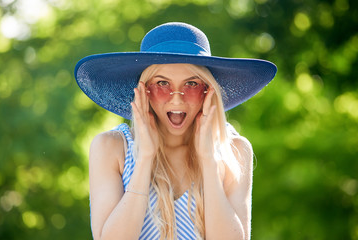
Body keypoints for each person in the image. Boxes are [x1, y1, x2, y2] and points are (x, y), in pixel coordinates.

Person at [74, 22, 277, 240]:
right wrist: (145, 159)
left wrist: (208, 160)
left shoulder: (234, 151)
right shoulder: (112, 147)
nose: (177, 97)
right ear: (145, 90)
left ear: (208, 91)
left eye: (191, 84)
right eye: (163, 83)